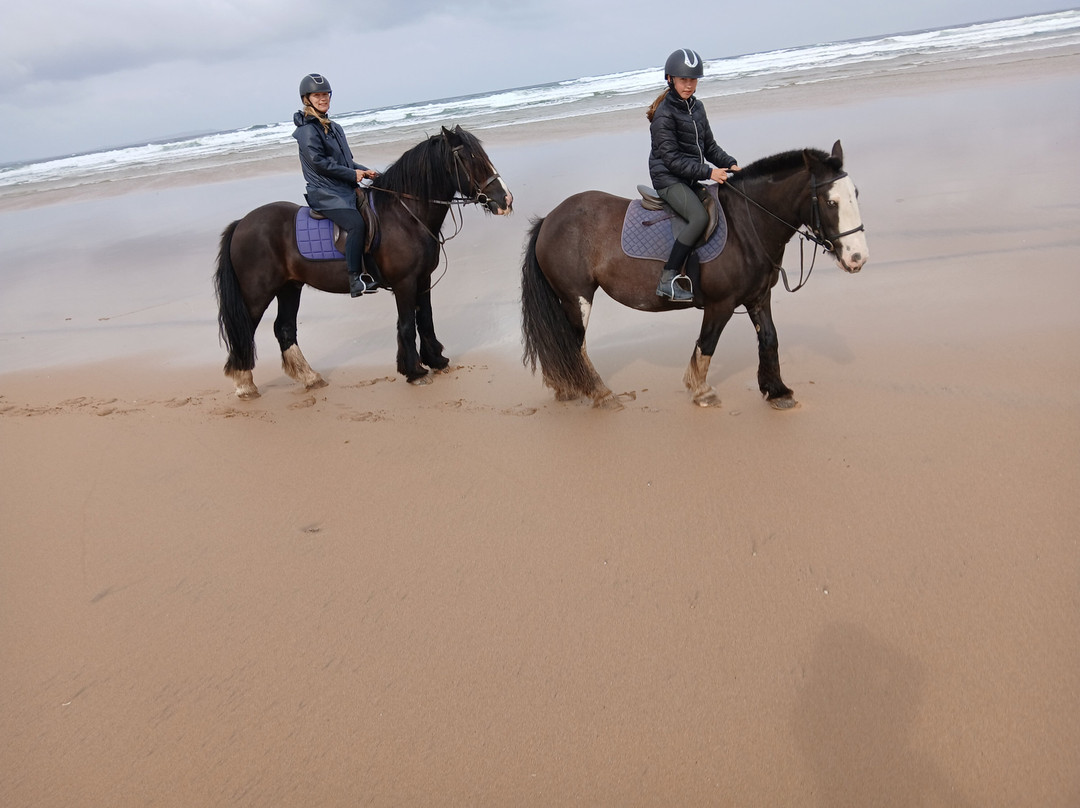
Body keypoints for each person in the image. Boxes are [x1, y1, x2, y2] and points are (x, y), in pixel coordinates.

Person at [647, 49, 740, 302]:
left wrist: (730, 164)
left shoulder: (697, 107)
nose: (689, 85)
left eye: (693, 80)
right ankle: (667, 279)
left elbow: (709, 146)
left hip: (689, 176)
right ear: (670, 79)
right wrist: (709, 172)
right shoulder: (663, 115)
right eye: (683, 80)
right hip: (669, 179)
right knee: (698, 218)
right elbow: (672, 160)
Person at [293, 73, 381, 297]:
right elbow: (320, 163)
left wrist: (366, 171)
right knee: (356, 225)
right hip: (325, 193)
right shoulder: (307, 131)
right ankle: (355, 279)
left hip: (343, 188)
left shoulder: (334, 127)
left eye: (325, 94)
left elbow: (346, 162)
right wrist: (352, 174)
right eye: (317, 95)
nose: (323, 99)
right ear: (306, 99)